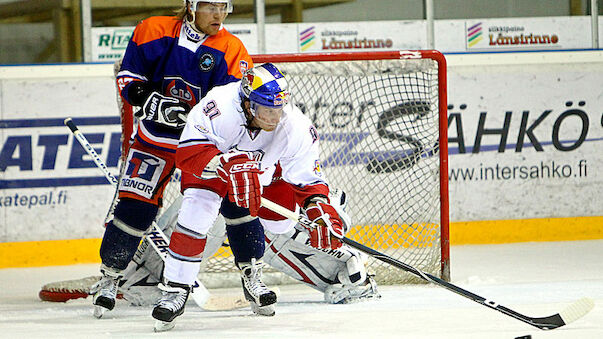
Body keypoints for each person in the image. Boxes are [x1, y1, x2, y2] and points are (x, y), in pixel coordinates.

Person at [151, 63, 379, 331]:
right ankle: (175, 289)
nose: (274, 117)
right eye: (266, 110)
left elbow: (307, 178)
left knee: (279, 223)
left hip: (259, 176)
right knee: (196, 216)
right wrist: (225, 164)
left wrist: (317, 206)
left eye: (278, 109)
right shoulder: (218, 105)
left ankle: (254, 275)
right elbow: (187, 155)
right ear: (248, 104)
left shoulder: (295, 126)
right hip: (211, 169)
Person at [90, 0, 253, 318]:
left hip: (203, 145)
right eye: (211, 7)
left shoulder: (232, 49)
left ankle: (252, 277)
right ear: (191, 6)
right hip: (153, 140)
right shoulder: (153, 29)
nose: (219, 15)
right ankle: (109, 278)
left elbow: (235, 104)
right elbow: (129, 79)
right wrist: (152, 102)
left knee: (235, 204)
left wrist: (201, 118)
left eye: (224, 7)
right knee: (134, 207)